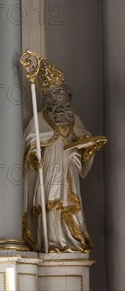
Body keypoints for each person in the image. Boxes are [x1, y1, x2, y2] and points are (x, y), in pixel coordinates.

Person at [23, 58, 107, 253]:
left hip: (70, 167)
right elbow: (30, 142)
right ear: (49, 98)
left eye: (62, 93)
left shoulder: (75, 119)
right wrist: (34, 155)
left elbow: (83, 139)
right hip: (50, 166)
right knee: (51, 203)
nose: (60, 98)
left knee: (70, 203)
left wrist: (88, 148)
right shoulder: (40, 119)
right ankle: (52, 241)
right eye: (55, 94)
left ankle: (72, 242)